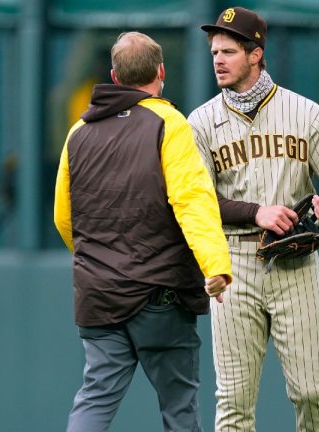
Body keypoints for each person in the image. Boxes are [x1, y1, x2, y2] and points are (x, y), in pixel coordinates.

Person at [188, 7, 319, 432]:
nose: (218, 60)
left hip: (295, 266)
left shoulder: (304, 113)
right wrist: (255, 212)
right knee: (233, 402)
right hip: (233, 266)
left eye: (229, 51)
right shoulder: (201, 122)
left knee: (310, 392)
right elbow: (197, 202)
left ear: (256, 54)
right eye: (214, 52)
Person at [53, 31, 232, 432]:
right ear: (162, 72)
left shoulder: (78, 131)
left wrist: (98, 261)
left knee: (95, 398)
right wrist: (214, 265)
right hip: (160, 296)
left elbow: (64, 217)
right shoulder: (169, 123)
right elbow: (192, 201)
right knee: (179, 407)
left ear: (114, 76)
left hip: (98, 294)